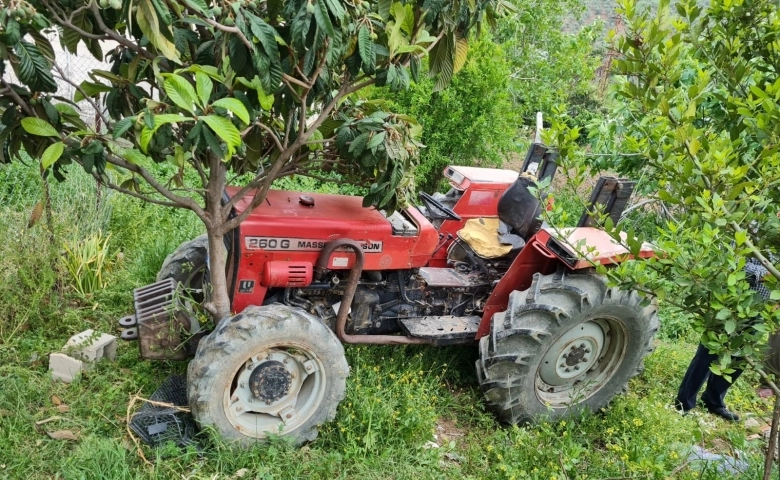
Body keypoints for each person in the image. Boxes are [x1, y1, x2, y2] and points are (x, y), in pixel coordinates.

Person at [675, 257, 772, 422]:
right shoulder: (750, 231)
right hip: (732, 304)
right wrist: (766, 274)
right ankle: (683, 403)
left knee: (739, 359)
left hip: (762, 310)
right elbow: (731, 261)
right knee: (707, 355)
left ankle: (713, 401)